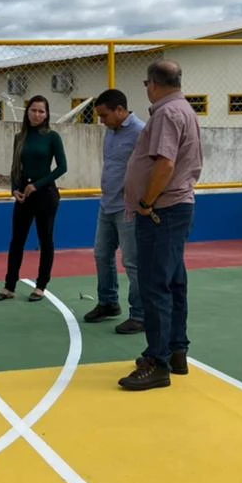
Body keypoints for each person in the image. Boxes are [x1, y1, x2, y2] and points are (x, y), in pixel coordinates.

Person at [119, 59, 202, 391]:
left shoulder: (167, 114)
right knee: (173, 282)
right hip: (175, 208)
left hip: (162, 211)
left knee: (155, 286)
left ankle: (158, 361)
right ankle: (175, 350)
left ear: (153, 84)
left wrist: (146, 202)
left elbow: (165, 164)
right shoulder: (185, 109)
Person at [0, 95, 68, 303]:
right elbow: (15, 166)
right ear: (27, 112)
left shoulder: (52, 137)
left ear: (47, 114)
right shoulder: (20, 137)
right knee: (17, 240)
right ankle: (9, 286)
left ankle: (41, 286)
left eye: (41, 111)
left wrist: (37, 185)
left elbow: (62, 167)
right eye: (33, 110)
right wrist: (14, 188)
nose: (37, 114)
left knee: (45, 240)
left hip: (45, 194)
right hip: (24, 195)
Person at [86, 89, 146, 334]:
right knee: (102, 254)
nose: (102, 121)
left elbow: (149, 168)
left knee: (132, 262)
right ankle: (108, 302)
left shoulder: (141, 132)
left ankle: (140, 315)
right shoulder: (111, 132)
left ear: (120, 110)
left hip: (128, 207)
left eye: (104, 115)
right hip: (107, 204)